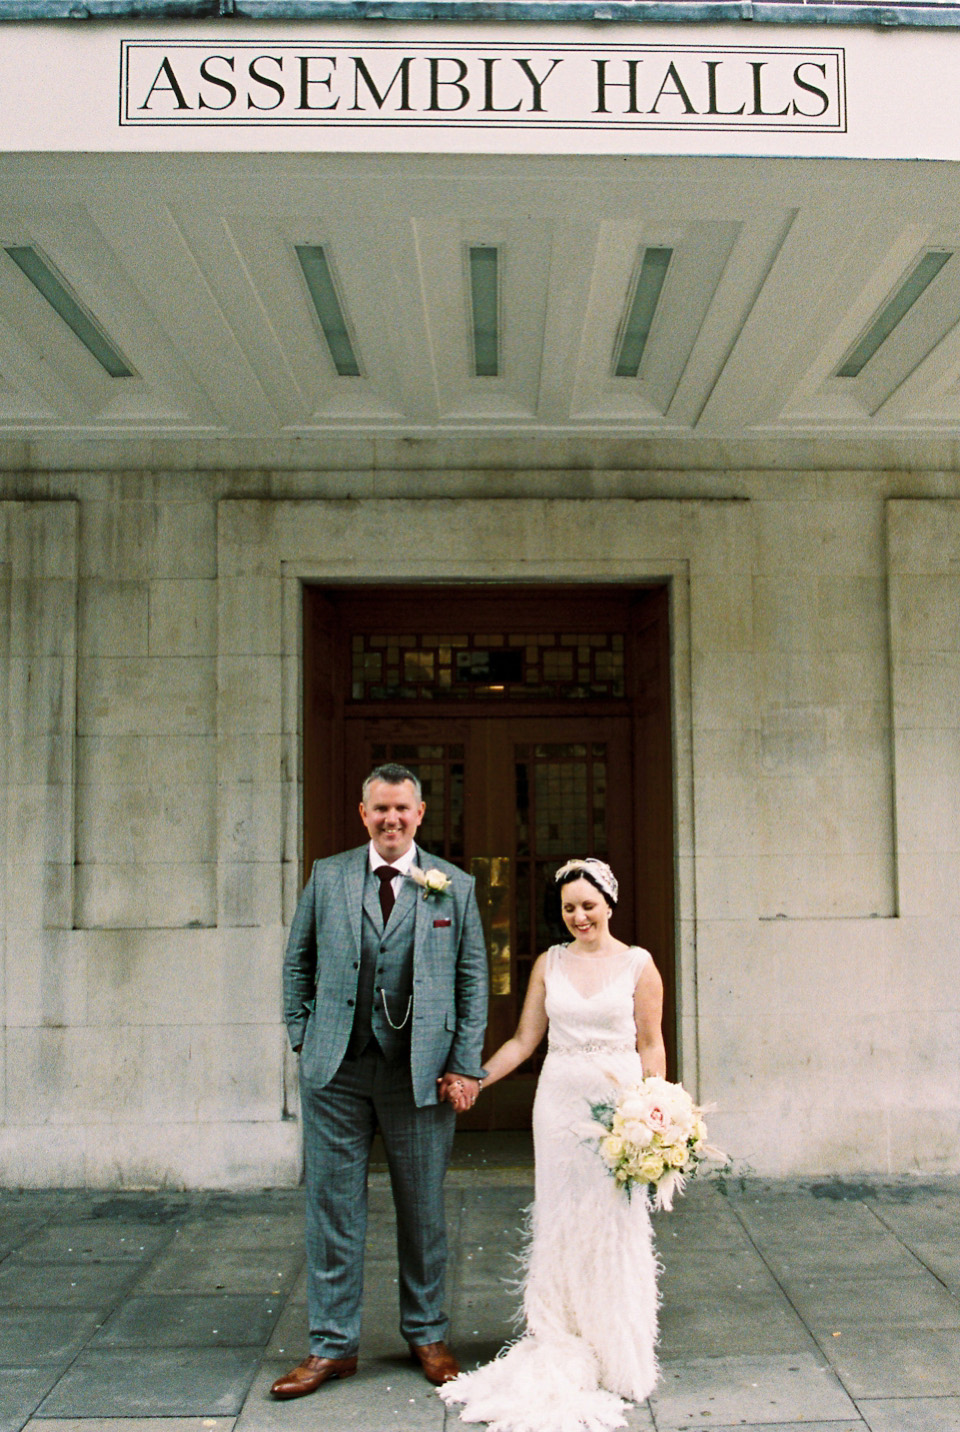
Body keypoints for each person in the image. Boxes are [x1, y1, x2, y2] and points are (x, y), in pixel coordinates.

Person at [272, 762, 489, 1400]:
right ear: (362, 815)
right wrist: (303, 1037)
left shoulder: (455, 887)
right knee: (332, 1209)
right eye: (380, 810)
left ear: (420, 814)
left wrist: (464, 1062)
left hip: (419, 1073)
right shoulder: (329, 875)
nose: (391, 819)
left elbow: (473, 982)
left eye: (403, 809)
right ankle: (332, 1347)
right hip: (336, 1070)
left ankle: (427, 1333)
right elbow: (298, 963)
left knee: (422, 1210)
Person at [440, 856, 666, 1432]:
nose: (578, 916)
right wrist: (476, 1079)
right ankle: (560, 1332)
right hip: (560, 1103)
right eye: (569, 908)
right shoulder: (549, 962)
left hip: (619, 1107)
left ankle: (615, 1345)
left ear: (609, 903)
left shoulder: (640, 965)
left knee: (612, 1218)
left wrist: (658, 1108)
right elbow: (523, 1041)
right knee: (563, 1214)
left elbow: (650, 1043)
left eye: (588, 905)